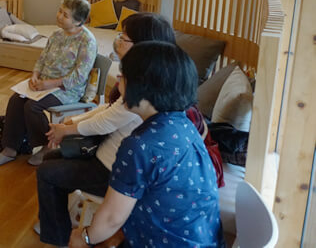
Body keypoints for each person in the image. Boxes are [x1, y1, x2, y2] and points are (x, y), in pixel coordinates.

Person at [68, 41, 224, 247]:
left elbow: (112, 218)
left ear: (144, 87)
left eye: (124, 75)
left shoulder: (140, 146)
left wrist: (84, 237)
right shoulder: (184, 124)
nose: (118, 79)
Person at [36, 13, 173, 245]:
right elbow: (108, 110)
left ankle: (58, 236)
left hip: (112, 168)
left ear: (143, 45)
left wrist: (67, 129)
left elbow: (107, 120)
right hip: (106, 153)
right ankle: (54, 221)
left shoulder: (144, 87)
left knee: (47, 172)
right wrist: (71, 122)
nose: (118, 41)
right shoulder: (147, 76)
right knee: (50, 159)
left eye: (124, 38)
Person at [0, 0, 97, 167]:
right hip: (44, 84)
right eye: (60, 11)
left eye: (65, 15)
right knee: (16, 100)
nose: (59, 16)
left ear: (78, 21)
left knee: (32, 106)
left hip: (67, 90)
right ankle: (10, 149)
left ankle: (47, 146)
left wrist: (50, 84)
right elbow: (42, 59)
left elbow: (79, 76)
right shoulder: (56, 35)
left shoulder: (87, 41)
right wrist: (35, 75)